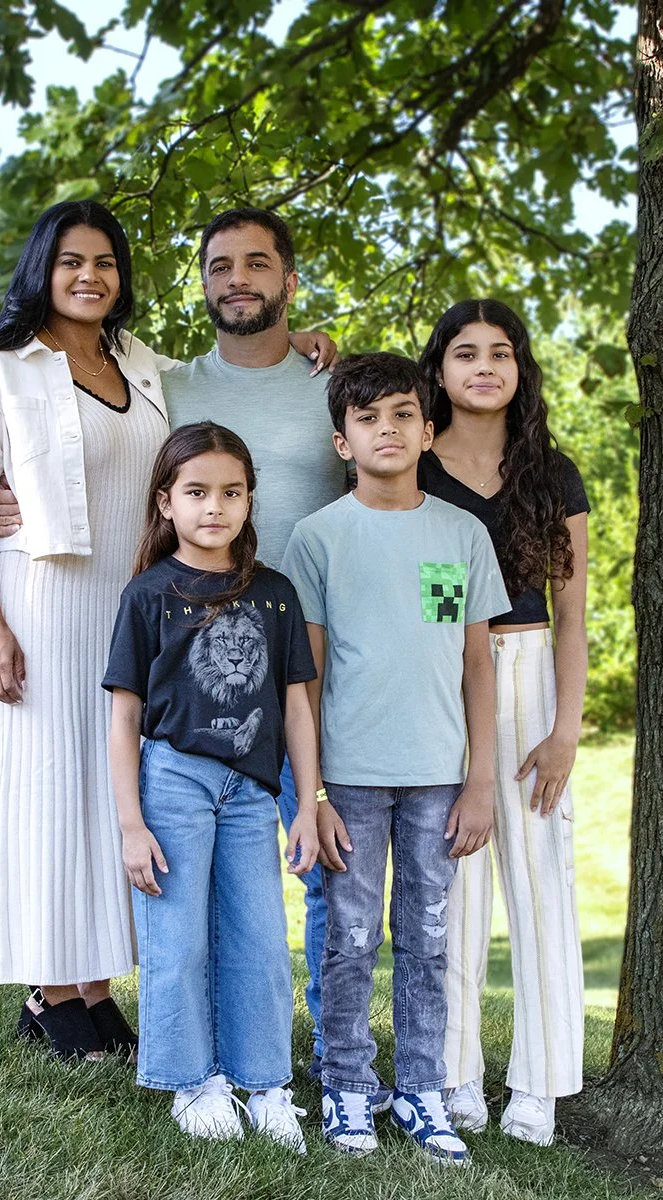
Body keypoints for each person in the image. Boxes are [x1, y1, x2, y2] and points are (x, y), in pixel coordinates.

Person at [0, 207, 344, 1073]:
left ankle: (336, 1054)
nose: (239, 279)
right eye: (221, 266)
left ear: (290, 281)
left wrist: (328, 342)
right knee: (188, 863)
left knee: (325, 860)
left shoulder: (335, 379)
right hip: (196, 670)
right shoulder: (166, 381)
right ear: (204, 283)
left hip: (314, 648)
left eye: (259, 264)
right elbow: (87, 441)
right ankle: (179, 1045)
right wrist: (8, 499)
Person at [0, 199, 170, 1061]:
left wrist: (305, 349)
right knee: (48, 787)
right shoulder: (2, 371)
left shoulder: (141, 365)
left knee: (111, 787)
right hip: (39, 601)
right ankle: (48, 989)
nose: (89, 275)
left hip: (130, 602)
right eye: (72, 260)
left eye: (106, 262)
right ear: (45, 268)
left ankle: (95, 987)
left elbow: (219, 384)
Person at [284, 352, 509, 1166]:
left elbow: (472, 661)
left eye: (403, 414)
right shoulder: (319, 539)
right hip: (347, 779)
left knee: (429, 938)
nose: (388, 429)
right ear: (342, 440)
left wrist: (480, 779)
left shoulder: (461, 534)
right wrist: (311, 797)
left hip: (440, 779)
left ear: (427, 428)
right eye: (369, 418)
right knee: (347, 939)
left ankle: (419, 1088)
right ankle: (346, 1085)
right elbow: (302, 679)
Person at [103, 423, 323, 1149]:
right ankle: (192, 1080)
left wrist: (309, 802)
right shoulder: (148, 595)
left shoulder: (275, 594)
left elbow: (297, 705)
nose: (214, 507)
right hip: (173, 782)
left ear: (250, 500)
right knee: (178, 937)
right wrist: (132, 824)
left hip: (253, 790)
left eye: (231, 493)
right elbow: (125, 715)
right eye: (196, 492)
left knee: (261, 938)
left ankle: (263, 1082)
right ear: (166, 501)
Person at [417, 300, 590, 1147]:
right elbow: (431, 599)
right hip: (445, 671)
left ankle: (540, 1084)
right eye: (464, 353)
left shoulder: (553, 477)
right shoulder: (414, 468)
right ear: (439, 370)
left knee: (538, 879)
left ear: (521, 369)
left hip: (530, 682)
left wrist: (565, 732)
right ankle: (454, 1076)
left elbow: (573, 615)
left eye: (501, 353)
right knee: (453, 883)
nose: (484, 366)